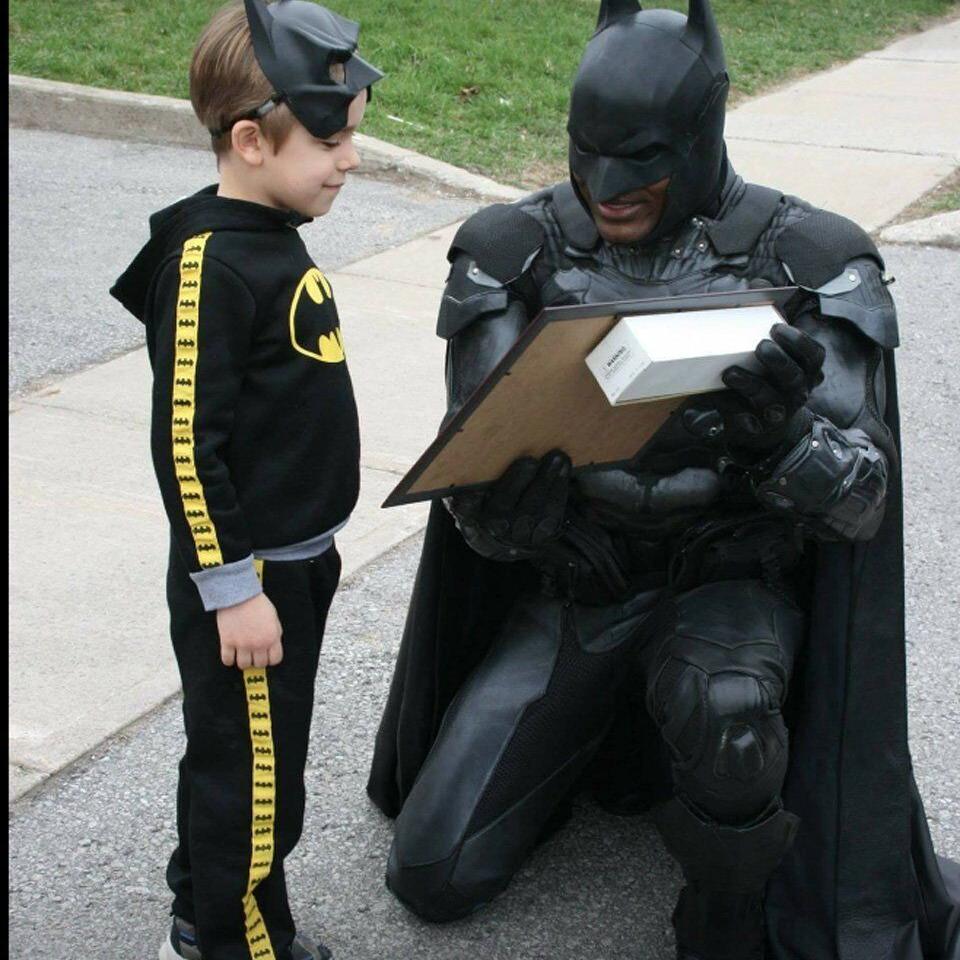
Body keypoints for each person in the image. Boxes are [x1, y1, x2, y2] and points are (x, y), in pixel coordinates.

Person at [366, 1, 960, 957]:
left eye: (640, 157)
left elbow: (862, 501)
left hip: (727, 593)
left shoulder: (811, 259)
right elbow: (475, 484)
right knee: (432, 873)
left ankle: (727, 901)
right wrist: (508, 516)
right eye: (588, 151)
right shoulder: (514, 251)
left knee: (724, 712)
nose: (610, 187)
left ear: (699, 134)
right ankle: (592, 753)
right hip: (580, 594)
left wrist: (781, 441)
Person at [110, 2, 381, 958]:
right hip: (250, 578)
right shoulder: (209, 262)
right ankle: (238, 942)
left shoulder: (265, 229)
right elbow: (186, 447)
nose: (352, 157)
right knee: (261, 782)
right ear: (250, 140)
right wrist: (231, 591)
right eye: (333, 139)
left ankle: (200, 904)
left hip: (292, 561)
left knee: (242, 758)